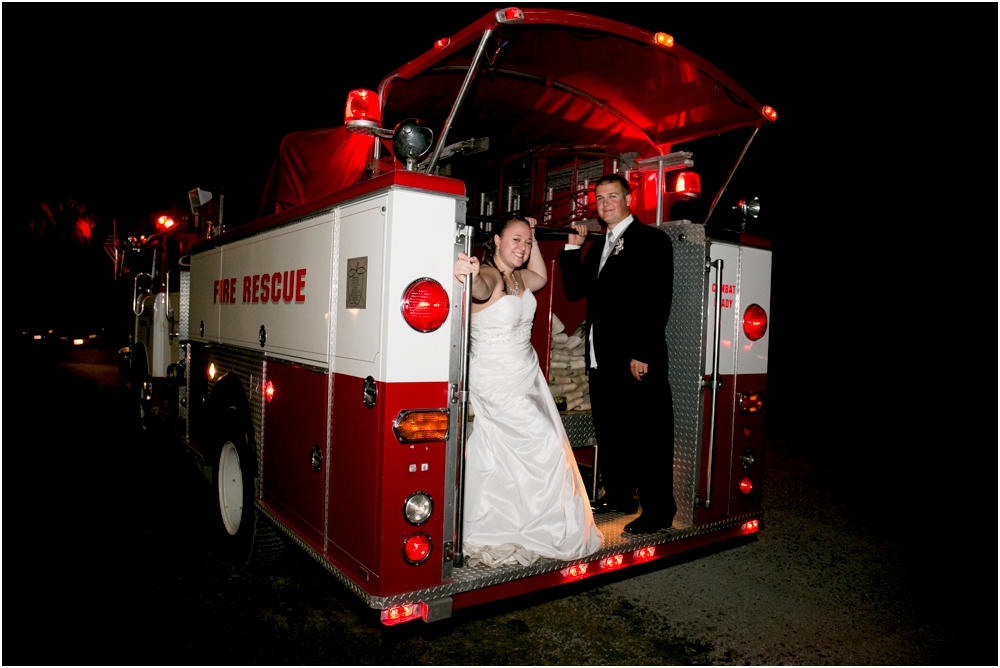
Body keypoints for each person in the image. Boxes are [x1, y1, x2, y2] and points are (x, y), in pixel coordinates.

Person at [454, 216, 603, 567]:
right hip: (495, 378)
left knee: (507, 451)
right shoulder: (489, 275)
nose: (521, 247)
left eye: (526, 241)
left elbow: (543, 277)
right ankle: (541, 525)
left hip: (524, 373)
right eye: (515, 240)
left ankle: (510, 519)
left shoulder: (519, 276)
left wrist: (533, 237)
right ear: (495, 240)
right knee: (546, 445)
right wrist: (468, 273)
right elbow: (478, 291)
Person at [558, 173, 677, 535]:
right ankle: (621, 495)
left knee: (648, 435)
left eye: (612, 196)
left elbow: (657, 298)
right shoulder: (600, 246)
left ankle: (659, 510)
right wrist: (572, 249)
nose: (605, 203)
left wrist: (643, 351)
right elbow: (576, 290)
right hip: (602, 357)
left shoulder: (650, 240)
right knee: (612, 430)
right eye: (599, 198)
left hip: (635, 358)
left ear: (628, 199)